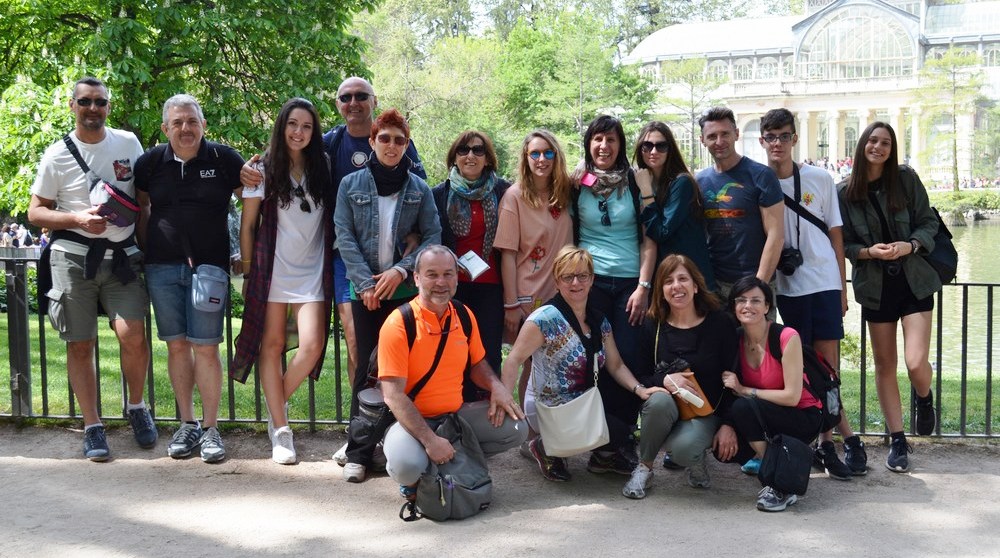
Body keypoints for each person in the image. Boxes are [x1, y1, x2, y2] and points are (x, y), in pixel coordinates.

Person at [240, 77, 426, 392]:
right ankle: (361, 418)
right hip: (344, 256)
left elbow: (420, 195)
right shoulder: (328, 144)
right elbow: (288, 155)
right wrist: (247, 169)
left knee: (394, 338)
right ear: (338, 104)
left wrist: (417, 234)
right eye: (345, 97)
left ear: (374, 100)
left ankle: (388, 415)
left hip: (393, 259)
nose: (353, 102)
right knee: (354, 337)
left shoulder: (393, 140)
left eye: (361, 96)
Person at [27, 76, 154, 460]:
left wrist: (145, 244)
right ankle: (93, 425)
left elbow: (144, 200)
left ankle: (137, 407)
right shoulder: (56, 155)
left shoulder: (128, 143)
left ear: (108, 107)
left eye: (100, 102)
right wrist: (77, 219)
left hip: (121, 259)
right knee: (80, 344)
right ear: (72, 105)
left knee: (133, 334)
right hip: (72, 257)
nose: (93, 109)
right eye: (85, 102)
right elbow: (36, 212)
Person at [135, 94, 245, 463]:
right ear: (166, 128)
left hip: (211, 271)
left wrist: (244, 250)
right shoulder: (149, 163)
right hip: (161, 268)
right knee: (177, 346)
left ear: (204, 125)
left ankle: (212, 429)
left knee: (207, 347)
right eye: (178, 122)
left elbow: (252, 201)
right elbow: (143, 208)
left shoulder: (224, 159)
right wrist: (144, 249)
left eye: (192, 121)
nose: (186, 128)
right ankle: (188, 424)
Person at [335, 108, 442, 482]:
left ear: (407, 144)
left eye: (399, 139)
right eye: (385, 138)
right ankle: (359, 452)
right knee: (368, 368)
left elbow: (432, 236)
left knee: (403, 371)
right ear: (372, 141)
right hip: (365, 293)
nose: (392, 145)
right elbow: (344, 237)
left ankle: (395, 444)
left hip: (404, 292)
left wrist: (400, 270)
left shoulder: (419, 189)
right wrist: (366, 285)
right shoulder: (350, 185)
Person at [758, 108, 865, 479]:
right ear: (762, 141)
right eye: (770, 137)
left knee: (828, 367)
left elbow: (836, 233)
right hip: (787, 287)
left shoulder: (819, 178)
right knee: (799, 369)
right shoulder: (759, 181)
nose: (777, 144)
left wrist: (842, 284)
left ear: (794, 139)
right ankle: (814, 440)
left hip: (822, 281)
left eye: (783, 136)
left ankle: (831, 441)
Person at [231, 97, 334, 464]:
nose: (299, 132)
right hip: (272, 268)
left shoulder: (323, 165)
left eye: (306, 126)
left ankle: (276, 406)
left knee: (312, 346)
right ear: (281, 126)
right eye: (292, 124)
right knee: (271, 345)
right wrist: (246, 270)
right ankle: (282, 430)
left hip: (312, 271)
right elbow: (247, 225)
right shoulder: (261, 167)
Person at [502, 246, 661, 482]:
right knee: (613, 433)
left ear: (592, 279)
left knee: (621, 431)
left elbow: (616, 366)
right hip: (550, 408)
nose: (575, 282)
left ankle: (600, 456)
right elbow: (514, 359)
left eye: (582, 276)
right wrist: (506, 400)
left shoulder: (599, 321)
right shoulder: (544, 319)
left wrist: (640, 389)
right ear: (557, 281)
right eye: (567, 276)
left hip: (581, 405)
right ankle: (544, 447)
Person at [380, 245, 526, 501]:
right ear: (416, 278)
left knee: (516, 427)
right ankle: (419, 472)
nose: (441, 282)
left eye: (448, 274)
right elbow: (393, 395)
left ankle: (451, 462)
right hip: (413, 422)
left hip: (454, 418)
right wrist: (429, 440)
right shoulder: (399, 323)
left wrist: (497, 387)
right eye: (431, 274)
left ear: (457, 278)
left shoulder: (463, 314)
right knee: (407, 466)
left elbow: (477, 364)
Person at [838, 121, 940, 473]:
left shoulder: (906, 179)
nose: (878, 147)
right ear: (862, 145)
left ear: (892, 148)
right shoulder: (844, 192)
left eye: (885, 142)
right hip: (875, 287)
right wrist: (869, 253)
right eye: (872, 140)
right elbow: (843, 244)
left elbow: (929, 223)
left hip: (913, 281)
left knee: (915, 363)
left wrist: (908, 245)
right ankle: (898, 440)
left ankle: (924, 398)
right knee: (884, 365)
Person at [571, 115, 657, 469]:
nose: (603, 146)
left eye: (611, 139)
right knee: (594, 362)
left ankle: (619, 440)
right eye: (597, 139)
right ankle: (597, 443)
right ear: (588, 144)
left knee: (630, 358)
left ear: (621, 145)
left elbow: (650, 238)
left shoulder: (637, 182)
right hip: (589, 283)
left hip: (629, 284)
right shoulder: (578, 182)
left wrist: (643, 285)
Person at [623, 254, 739, 498]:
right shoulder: (653, 323)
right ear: (661, 290)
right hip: (666, 408)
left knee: (684, 451)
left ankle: (695, 457)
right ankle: (644, 468)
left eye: (683, 279)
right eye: (668, 281)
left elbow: (734, 378)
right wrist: (663, 380)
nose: (676, 286)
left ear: (696, 285)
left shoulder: (720, 323)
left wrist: (728, 423)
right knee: (658, 401)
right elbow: (642, 373)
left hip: (705, 412)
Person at [721, 276, 823, 512]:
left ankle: (780, 484)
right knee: (722, 448)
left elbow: (792, 397)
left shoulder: (786, 337)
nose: (748, 306)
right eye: (742, 300)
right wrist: (726, 424)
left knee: (743, 406)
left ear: (767, 306)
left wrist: (746, 390)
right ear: (734, 306)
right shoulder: (735, 339)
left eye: (756, 300)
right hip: (768, 413)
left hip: (803, 415)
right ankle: (782, 469)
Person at [494, 129, 573, 410]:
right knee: (531, 364)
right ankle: (528, 433)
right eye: (535, 153)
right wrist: (511, 304)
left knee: (554, 365)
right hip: (529, 297)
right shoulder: (514, 198)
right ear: (525, 158)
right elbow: (507, 255)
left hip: (563, 295)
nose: (541, 159)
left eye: (548, 152)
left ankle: (551, 428)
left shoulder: (565, 193)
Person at [432, 130, 511, 379]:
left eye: (478, 150)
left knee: (488, 353)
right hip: (452, 285)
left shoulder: (504, 192)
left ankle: (488, 410)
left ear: (487, 158)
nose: (470, 155)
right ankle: (456, 410)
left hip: (492, 285)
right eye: (463, 150)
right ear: (454, 157)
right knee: (453, 350)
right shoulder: (438, 195)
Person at [696, 107, 784, 300]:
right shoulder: (698, 181)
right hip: (714, 285)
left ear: (736, 134)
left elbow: (776, 236)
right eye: (712, 136)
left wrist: (758, 287)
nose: (719, 142)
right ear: (702, 140)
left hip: (755, 281)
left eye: (725, 134)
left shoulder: (761, 175)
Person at [633, 121, 716, 291]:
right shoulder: (639, 179)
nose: (653, 151)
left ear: (670, 149)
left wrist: (647, 192)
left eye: (661, 146)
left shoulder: (681, 183)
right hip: (664, 277)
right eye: (647, 146)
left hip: (690, 279)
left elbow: (661, 232)